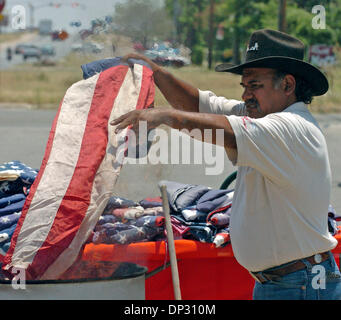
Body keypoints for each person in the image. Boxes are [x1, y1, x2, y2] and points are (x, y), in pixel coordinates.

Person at [111, 29, 341, 300]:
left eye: (254, 85)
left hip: (299, 284)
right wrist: (156, 73)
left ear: (288, 85)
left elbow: (213, 126)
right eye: (244, 86)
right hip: (286, 281)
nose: (246, 95)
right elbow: (198, 106)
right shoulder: (266, 118)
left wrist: (163, 116)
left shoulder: (288, 127)